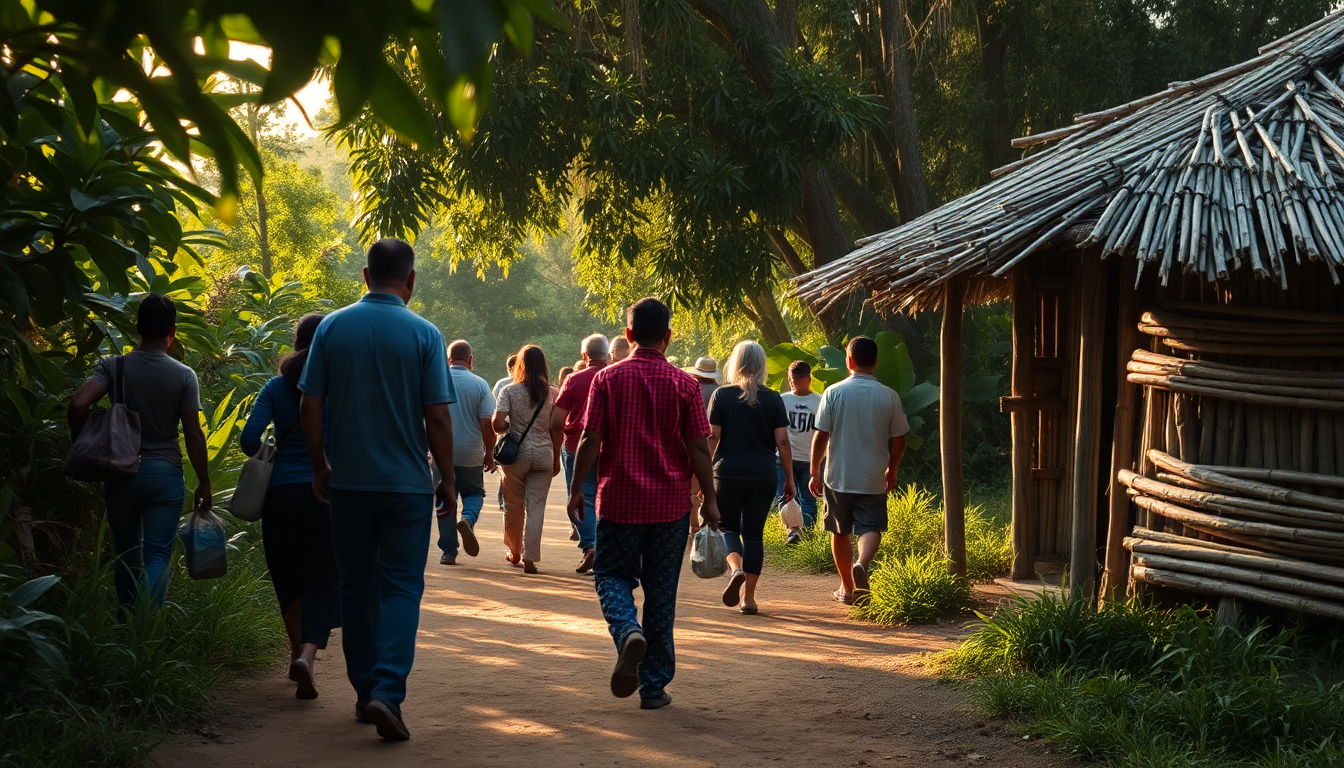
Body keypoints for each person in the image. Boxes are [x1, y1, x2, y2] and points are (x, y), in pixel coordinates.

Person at [298, 238, 457, 741]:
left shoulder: (331, 328)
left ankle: (366, 692)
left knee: (355, 587)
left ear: (365, 276)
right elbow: (436, 415)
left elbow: (309, 406)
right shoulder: (425, 334)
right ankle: (389, 692)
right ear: (410, 281)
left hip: (348, 483)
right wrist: (448, 480)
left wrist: (320, 466)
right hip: (407, 487)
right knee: (402, 587)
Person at [567, 297, 720, 711]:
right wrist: (709, 499)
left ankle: (626, 631)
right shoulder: (686, 385)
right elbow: (698, 447)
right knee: (661, 592)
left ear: (629, 335)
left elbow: (590, 439)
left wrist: (577, 488)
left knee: (612, 576)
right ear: (668, 337)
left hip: (618, 502)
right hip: (670, 507)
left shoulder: (606, 379)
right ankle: (653, 687)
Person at [68, 294, 210, 610]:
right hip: (165, 475)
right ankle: (147, 626)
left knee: (126, 551)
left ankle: (127, 625)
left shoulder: (113, 367)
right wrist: (204, 481)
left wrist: (83, 442)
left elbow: (78, 403)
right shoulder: (184, 375)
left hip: (121, 472)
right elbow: (193, 434)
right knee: (157, 554)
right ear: (172, 332)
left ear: (137, 328)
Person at [239, 313, 340, 700]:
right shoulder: (337, 387)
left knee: (287, 577)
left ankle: (296, 653)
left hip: (279, 495)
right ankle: (308, 658)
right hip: (326, 491)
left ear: (296, 342)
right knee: (321, 576)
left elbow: (250, 440)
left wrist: (277, 448)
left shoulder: (275, 386)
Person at [808, 336, 908, 606]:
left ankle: (847, 588)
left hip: (838, 476)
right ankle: (862, 563)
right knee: (871, 526)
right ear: (876, 361)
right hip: (874, 476)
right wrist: (892, 468)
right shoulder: (889, 395)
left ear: (849, 360)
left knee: (840, 531)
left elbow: (821, 436)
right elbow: (900, 438)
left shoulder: (834, 392)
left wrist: (815, 470)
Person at [708, 341, 792, 615]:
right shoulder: (774, 398)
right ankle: (749, 598)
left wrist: (704, 474)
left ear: (735, 363)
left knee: (728, 528)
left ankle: (736, 569)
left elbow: (712, 437)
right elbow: (782, 441)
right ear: (762, 365)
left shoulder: (722, 395)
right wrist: (789, 478)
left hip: (727, 472)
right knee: (754, 534)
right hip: (763, 473)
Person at [493, 344, 559, 574]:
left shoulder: (509, 391)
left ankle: (515, 553)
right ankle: (531, 559)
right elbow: (557, 427)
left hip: (517, 456)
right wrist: (557, 457)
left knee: (513, 505)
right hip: (543, 453)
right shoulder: (553, 392)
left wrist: (511, 427)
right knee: (536, 507)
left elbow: (497, 424)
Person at [551, 333, 608, 573]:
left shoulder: (573, 380)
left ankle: (590, 546)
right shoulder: (615, 376)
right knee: (606, 499)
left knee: (581, 498)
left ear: (584, 356)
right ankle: (606, 550)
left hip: (576, 445)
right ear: (606, 354)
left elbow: (556, 421)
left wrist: (556, 451)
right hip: (611, 447)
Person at [435, 340, 496, 565]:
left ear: (449, 358)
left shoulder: (436, 381)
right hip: (471, 452)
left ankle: (449, 551)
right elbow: (487, 423)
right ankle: (468, 519)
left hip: (441, 453)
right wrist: (489, 453)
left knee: (445, 499)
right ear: (470, 360)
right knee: (474, 494)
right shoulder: (480, 384)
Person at [778, 360, 822, 545]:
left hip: (807, 459)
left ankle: (804, 533)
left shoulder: (820, 401)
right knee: (788, 496)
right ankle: (795, 530)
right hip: (789, 458)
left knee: (804, 497)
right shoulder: (782, 400)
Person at [682, 356, 720, 534]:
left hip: (692, 445)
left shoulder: (691, 389)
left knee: (692, 490)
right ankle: (710, 525)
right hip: (717, 447)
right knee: (710, 487)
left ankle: (694, 527)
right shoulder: (720, 391)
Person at [493, 354, 518, 511]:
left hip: (503, 433)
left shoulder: (501, 385)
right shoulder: (528, 384)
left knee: (506, 468)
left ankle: (503, 499)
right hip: (522, 433)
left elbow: (494, 411)